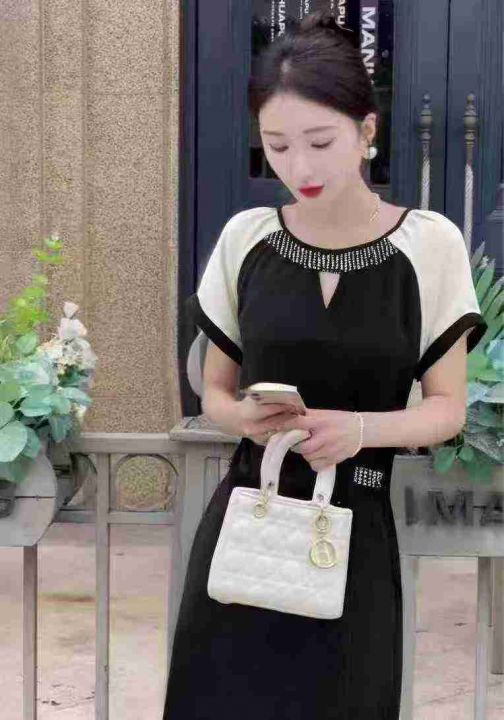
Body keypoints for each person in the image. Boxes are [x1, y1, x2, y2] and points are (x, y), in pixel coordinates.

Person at [163, 9, 487, 719]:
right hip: (249, 524)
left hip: (354, 530)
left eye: (320, 142)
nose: (299, 168)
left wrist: (359, 429)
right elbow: (213, 391)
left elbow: (447, 409)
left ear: (367, 131)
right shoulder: (247, 239)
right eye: (277, 145)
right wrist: (244, 419)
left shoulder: (428, 245)